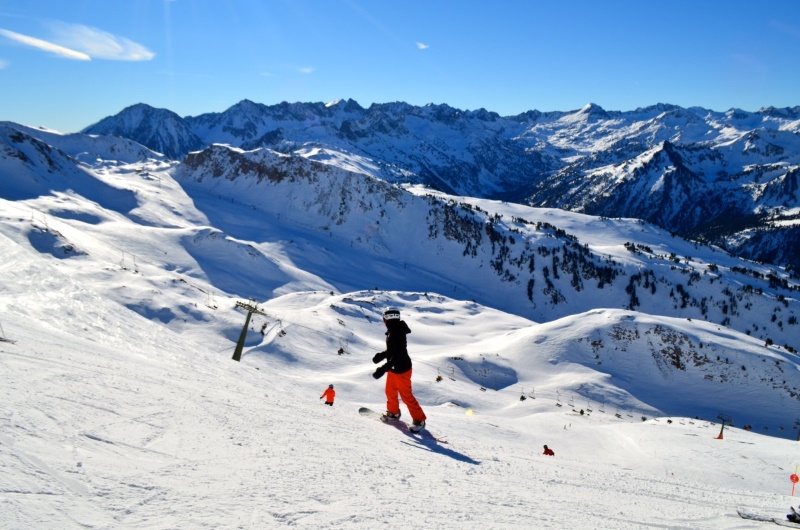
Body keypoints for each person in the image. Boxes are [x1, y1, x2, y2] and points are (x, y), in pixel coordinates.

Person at [372, 308, 427, 433]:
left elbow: (399, 354)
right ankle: (394, 413)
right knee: (390, 391)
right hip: (394, 368)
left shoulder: (397, 332)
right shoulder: (393, 330)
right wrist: (381, 356)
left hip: (402, 369)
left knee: (406, 395)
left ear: (385, 319)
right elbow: (393, 351)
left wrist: (383, 368)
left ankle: (419, 420)